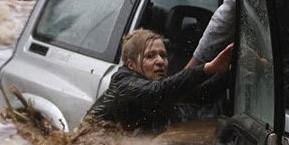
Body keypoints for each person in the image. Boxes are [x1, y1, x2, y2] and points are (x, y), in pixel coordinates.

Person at [86, 30, 233, 132]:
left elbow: (204, 95)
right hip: (89, 144)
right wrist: (207, 68)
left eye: (163, 55)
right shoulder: (124, 83)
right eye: (150, 56)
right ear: (131, 65)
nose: (160, 61)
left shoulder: (160, 87)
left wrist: (232, 68)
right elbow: (158, 92)